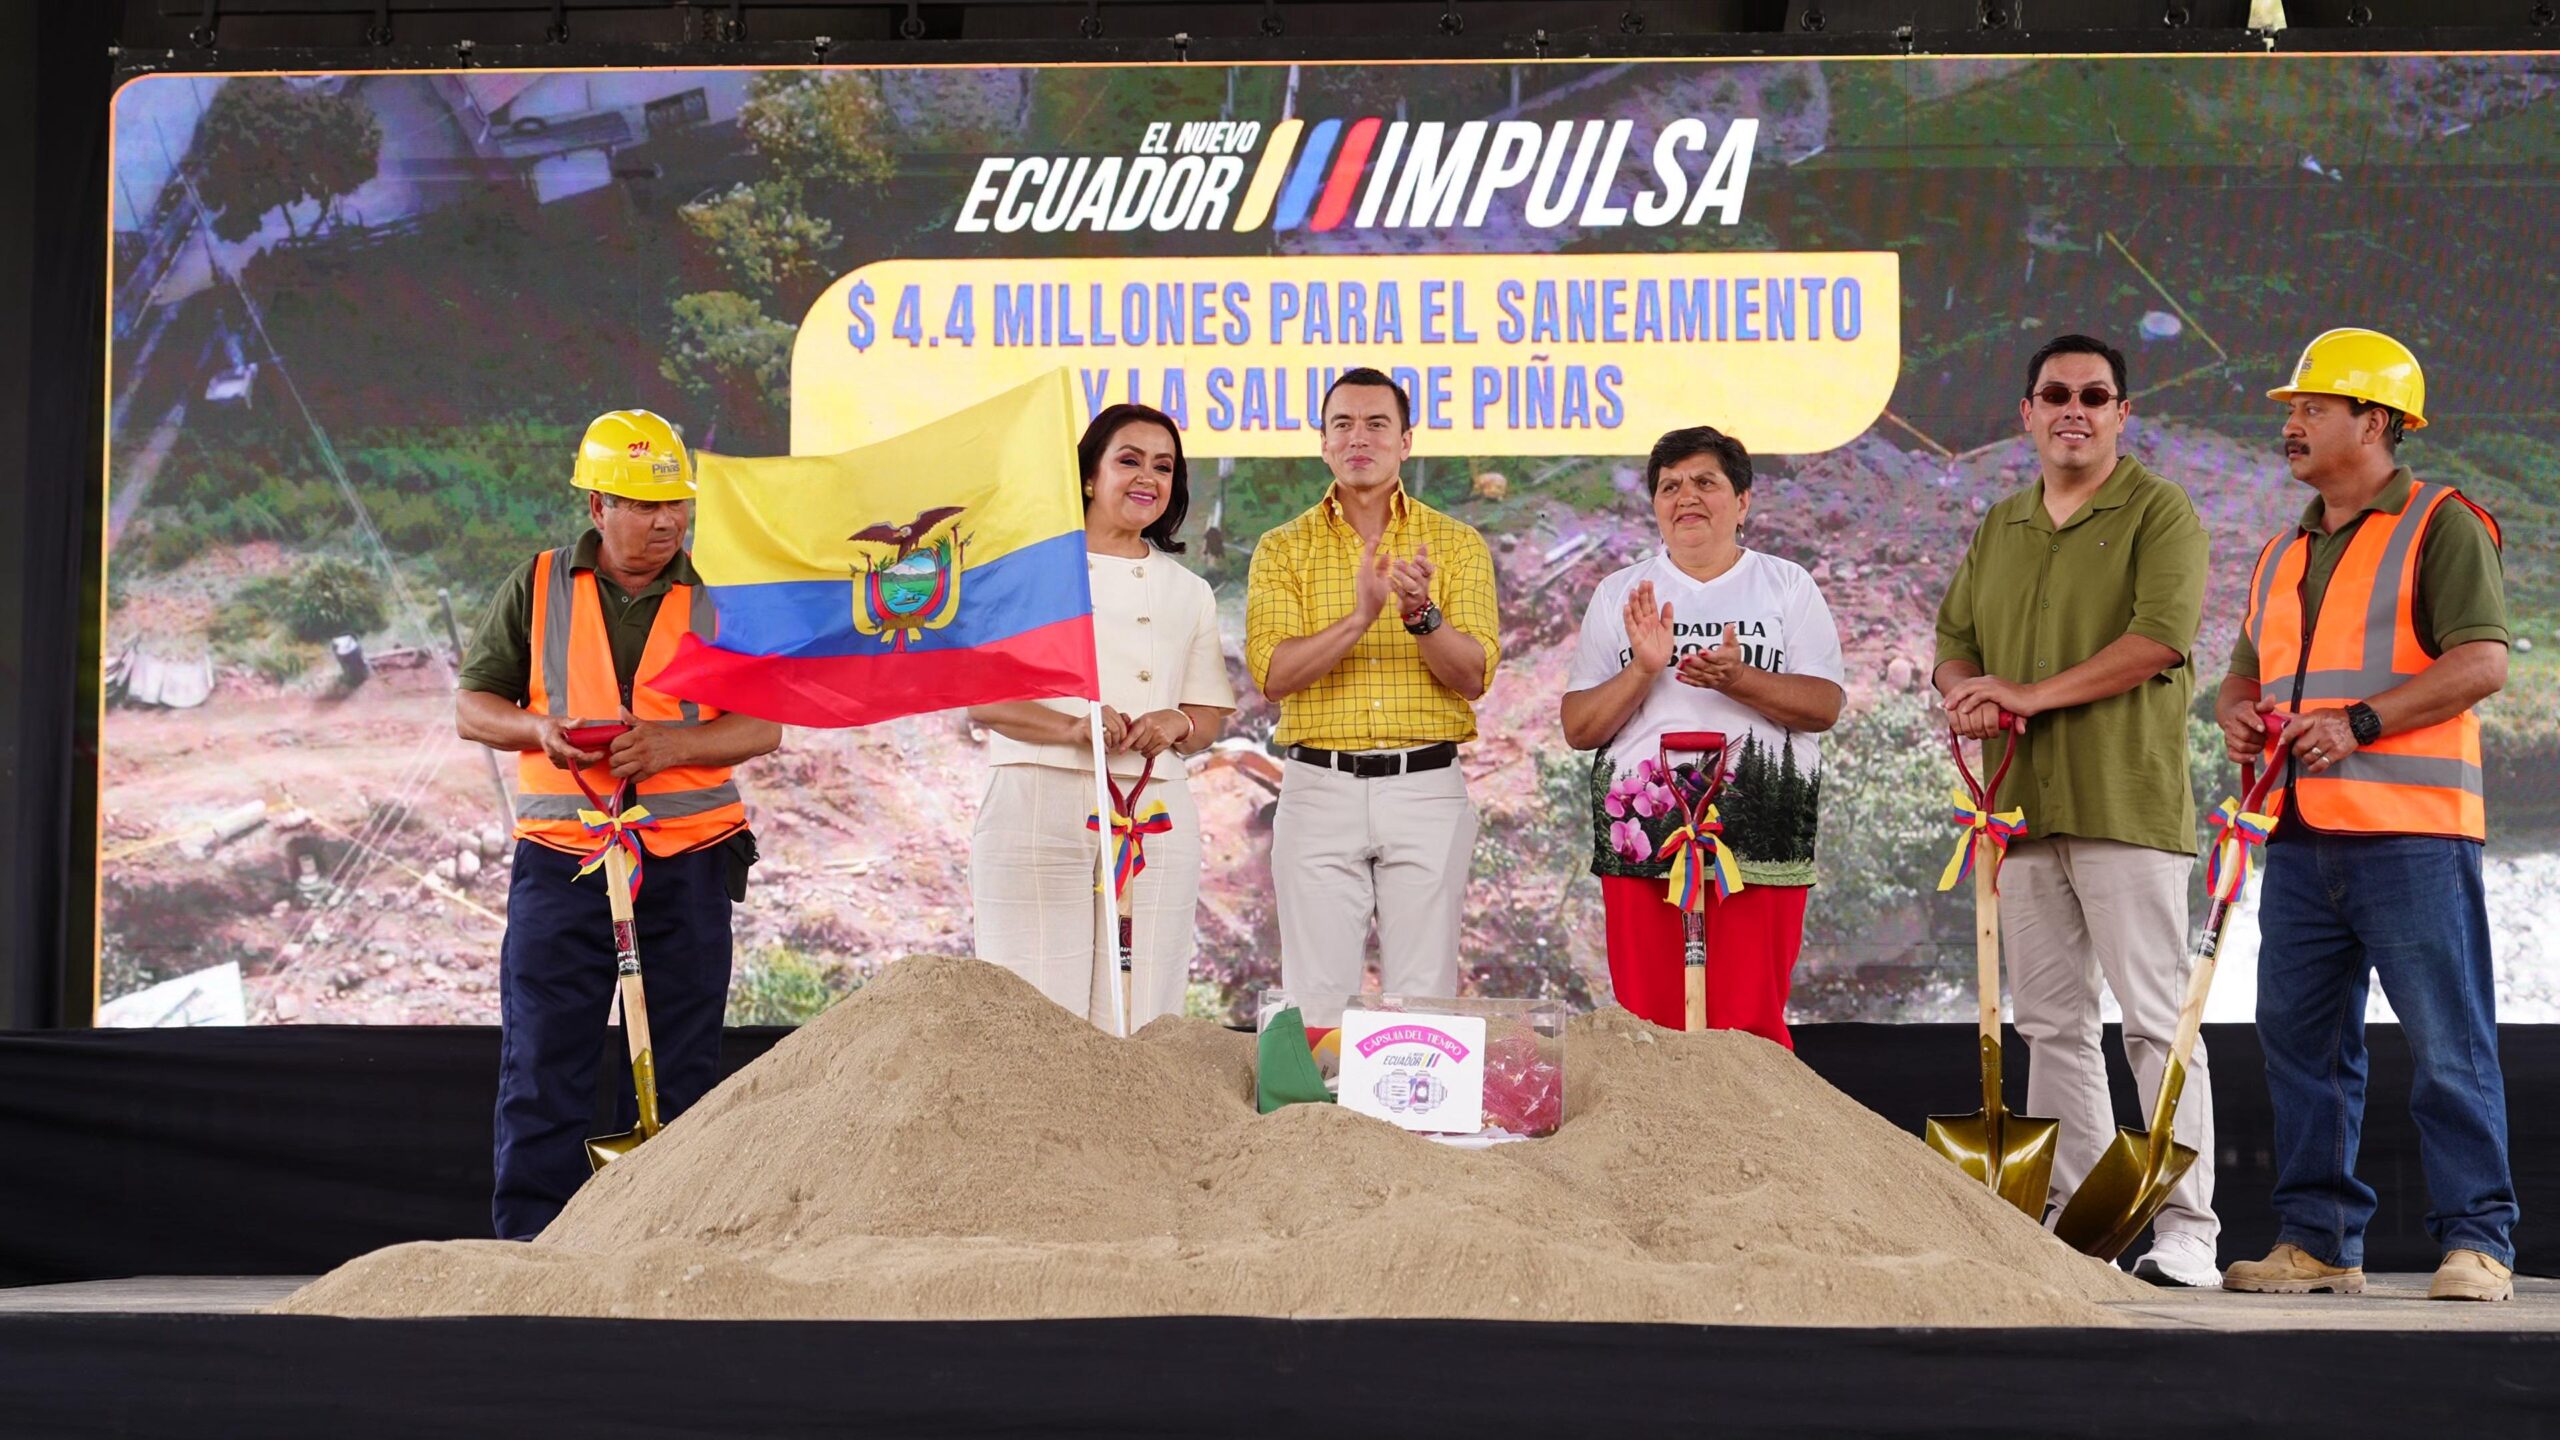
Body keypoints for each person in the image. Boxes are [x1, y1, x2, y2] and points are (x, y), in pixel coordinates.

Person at [2214, 329, 2517, 1303]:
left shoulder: (2440, 524)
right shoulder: (2281, 550)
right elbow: (2246, 670)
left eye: (2312, 407)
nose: (2291, 423)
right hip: (2299, 841)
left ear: (2375, 421)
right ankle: (2317, 1242)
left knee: (2445, 1041)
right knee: (2300, 1045)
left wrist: (2360, 721)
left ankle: (2478, 1241)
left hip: (2411, 834)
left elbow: (2481, 662)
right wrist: (2234, 711)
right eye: (2290, 408)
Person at [1932, 334, 2217, 1287]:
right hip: (2017, 810)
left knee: (2151, 1022)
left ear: (2122, 414)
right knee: (2052, 1024)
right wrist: (1965, 689)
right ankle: (2081, 1223)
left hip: (2122, 802)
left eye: (2096, 395)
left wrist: (2023, 695)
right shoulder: (2001, 523)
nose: (2075, 409)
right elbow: (1954, 640)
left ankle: (2189, 1232)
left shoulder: (2159, 511)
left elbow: (2158, 641)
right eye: (2055, 394)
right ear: (2027, 414)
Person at [457, 409, 781, 1240]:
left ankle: (663, 1239)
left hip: (689, 863)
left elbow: (762, 727)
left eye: (676, 504)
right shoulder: (535, 585)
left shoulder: (717, 597)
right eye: (642, 505)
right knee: (543, 1057)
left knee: (680, 1063)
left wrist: (672, 743)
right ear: (597, 506)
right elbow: (473, 707)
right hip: (563, 861)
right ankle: (532, 1243)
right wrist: (536, 730)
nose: (665, 521)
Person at [1560, 426, 1844, 1046]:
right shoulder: (1622, 593)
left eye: (1705, 482)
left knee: (1749, 1024)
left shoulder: (1787, 585)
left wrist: (1740, 679)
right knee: (1649, 1021)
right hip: (1645, 832)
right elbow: (1580, 727)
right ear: (1655, 506)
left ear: (1743, 501)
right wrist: (1641, 669)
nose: (1686, 496)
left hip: (1760, 830)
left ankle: (1756, 1146)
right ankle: (1660, 1143)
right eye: (1670, 486)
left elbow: (1824, 705)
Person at [1244, 367, 1501, 1028]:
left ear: (1406, 441)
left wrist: (1422, 616)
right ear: (1324, 443)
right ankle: (1320, 1132)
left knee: (1425, 995)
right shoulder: (1281, 548)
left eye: (1377, 423)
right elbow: (1272, 674)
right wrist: (1360, 617)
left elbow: (1473, 676)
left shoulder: (1456, 545)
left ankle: (1416, 1133)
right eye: (1343, 424)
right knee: (1317, 995)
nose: (1359, 437)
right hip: (1317, 783)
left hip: (1426, 784)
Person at [969, 403, 1235, 1029]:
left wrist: (1176, 724)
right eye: (1130, 460)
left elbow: (1207, 714)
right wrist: (1071, 727)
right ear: (1089, 475)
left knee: (1141, 1012)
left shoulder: (1188, 591)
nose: (1148, 477)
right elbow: (984, 699)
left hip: (1153, 808)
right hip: (1035, 801)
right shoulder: (1026, 574)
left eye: (1163, 467)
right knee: (1031, 1011)